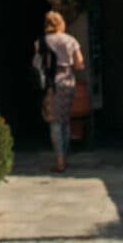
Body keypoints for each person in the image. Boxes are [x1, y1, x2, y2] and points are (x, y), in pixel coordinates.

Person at [32, 10, 85, 172]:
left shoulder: (40, 42)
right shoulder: (71, 40)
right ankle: (66, 155)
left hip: (51, 82)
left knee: (54, 120)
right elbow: (79, 64)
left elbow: (36, 64)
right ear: (61, 24)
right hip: (68, 80)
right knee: (66, 119)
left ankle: (59, 158)